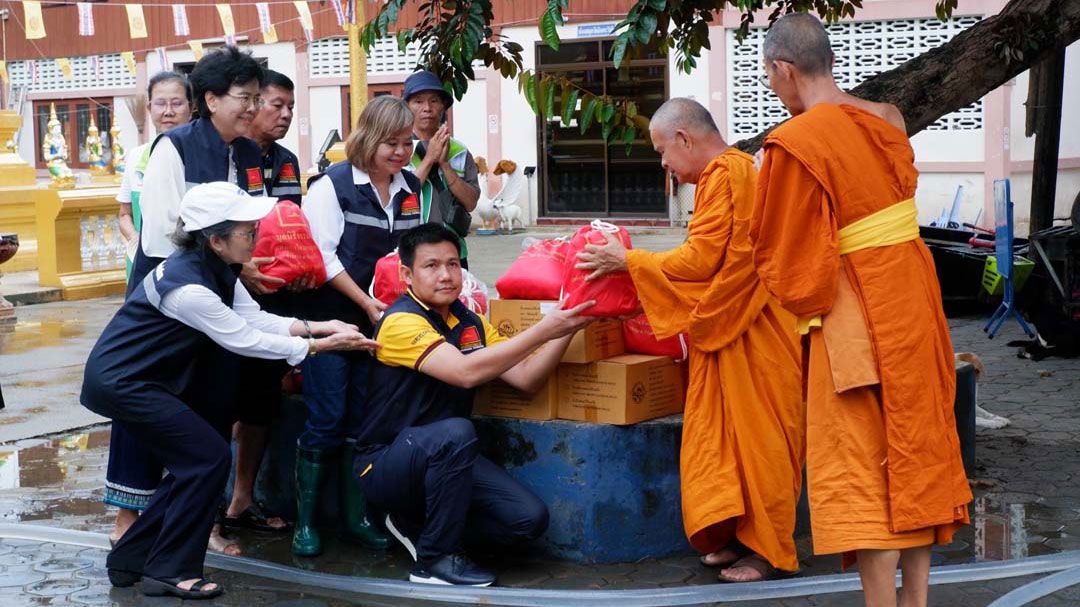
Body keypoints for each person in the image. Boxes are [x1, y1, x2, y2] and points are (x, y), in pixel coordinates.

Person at [749, 14, 971, 607]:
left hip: (856, 319)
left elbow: (787, 257)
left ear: (784, 70)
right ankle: (916, 599)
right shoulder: (889, 119)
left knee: (862, 466)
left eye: (771, 78)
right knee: (919, 446)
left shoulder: (794, 144)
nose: (774, 89)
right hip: (916, 302)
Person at [81, 182, 378, 600]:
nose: (257, 236)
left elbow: (254, 318)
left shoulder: (217, 267)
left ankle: (132, 557)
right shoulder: (190, 288)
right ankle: (169, 570)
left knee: (201, 459)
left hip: (146, 379)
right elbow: (244, 340)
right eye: (247, 231)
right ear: (216, 239)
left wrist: (319, 326)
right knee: (205, 457)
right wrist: (318, 346)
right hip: (123, 381)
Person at [574, 98, 804, 583]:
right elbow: (715, 261)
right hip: (729, 328)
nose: (664, 165)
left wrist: (629, 262)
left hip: (756, 329)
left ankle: (767, 551)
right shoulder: (733, 173)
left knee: (760, 441)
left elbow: (700, 261)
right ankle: (736, 536)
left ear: (684, 138)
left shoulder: (728, 173)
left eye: (663, 151)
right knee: (720, 439)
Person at [355, 223, 593, 586]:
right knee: (456, 431)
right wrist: (543, 329)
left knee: (528, 520)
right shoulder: (399, 321)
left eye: (453, 264)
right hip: (385, 463)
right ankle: (433, 562)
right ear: (407, 273)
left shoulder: (470, 321)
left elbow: (527, 379)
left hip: (446, 457)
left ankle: (419, 526)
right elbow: (464, 373)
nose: (446, 275)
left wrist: (569, 326)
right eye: (431, 266)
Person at [126, 45, 268, 556]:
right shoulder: (176, 147)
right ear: (210, 99)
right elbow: (163, 234)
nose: (252, 108)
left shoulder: (250, 153)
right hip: (172, 294)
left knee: (217, 403)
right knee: (160, 406)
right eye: (243, 97)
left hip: (225, 288)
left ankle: (204, 521)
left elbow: (251, 219)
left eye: (257, 97)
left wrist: (247, 263)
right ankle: (134, 520)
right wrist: (230, 265)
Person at [293, 95, 422, 556]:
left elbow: (410, 256)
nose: (401, 153)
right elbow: (322, 256)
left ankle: (357, 517)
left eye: (408, 143)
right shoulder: (332, 185)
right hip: (331, 320)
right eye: (391, 143)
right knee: (326, 419)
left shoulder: (411, 187)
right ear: (368, 138)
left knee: (366, 421)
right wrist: (366, 303)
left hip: (383, 323)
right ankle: (305, 524)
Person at [108, 70, 194, 548]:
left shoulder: (204, 151)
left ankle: (199, 518)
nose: (167, 111)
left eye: (175, 103)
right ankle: (127, 516)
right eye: (159, 103)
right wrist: (134, 240)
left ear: (191, 106)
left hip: (195, 292)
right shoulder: (142, 157)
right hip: (146, 285)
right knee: (138, 394)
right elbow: (127, 211)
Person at [222, 69, 304, 537]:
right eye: (275, 105)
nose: (282, 114)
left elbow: (290, 223)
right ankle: (205, 506)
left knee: (259, 402)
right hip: (228, 293)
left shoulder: (287, 160)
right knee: (217, 402)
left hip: (273, 297)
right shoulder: (229, 156)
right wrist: (244, 270)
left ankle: (241, 501)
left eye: (289, 107)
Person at [403, 70, 481, 268]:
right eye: (418, 102)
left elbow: (471, 203)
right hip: (409, 251)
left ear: (443, 107)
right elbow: (400, 197)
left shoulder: (459, 152)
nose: (427, 108)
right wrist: (429, 159)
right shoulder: (397, 150)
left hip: (452, 251)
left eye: (434, 101)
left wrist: (445, 165)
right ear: (406, 107)